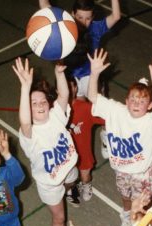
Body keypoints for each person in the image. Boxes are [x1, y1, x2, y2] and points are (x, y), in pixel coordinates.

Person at [88, 49, 152, 226]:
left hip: (143, 174)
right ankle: (126, 215)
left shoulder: (151, 121)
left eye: (142, 101)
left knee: (144, 207)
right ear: (126, 101)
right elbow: (93, 97)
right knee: (125, 197)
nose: (136, 103)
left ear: (150, 106)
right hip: (121, 171)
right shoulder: (116, 110)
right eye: (133, 99)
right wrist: (94, 74)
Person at [39, 0, 122, 160]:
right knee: (78, 109)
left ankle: (106, 135)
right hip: (71, 76)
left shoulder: (96, 28)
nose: (84, 22)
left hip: (91, 75)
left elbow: (116, 16)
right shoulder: (65, 27)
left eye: (88, 18)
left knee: (100, 106)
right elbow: (46, 7)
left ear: (93, 17)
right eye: (79, 17)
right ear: (72, 14)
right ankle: (75, 138)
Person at [12, 57, 79, 226]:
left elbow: (64, 96)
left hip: (69, 167)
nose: (40, 105)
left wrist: (59, 73)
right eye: (34, 103)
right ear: (28, 108)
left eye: (43, 101)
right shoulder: (30, 134)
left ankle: (69, 189)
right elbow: (24, 120)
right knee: (60, 217)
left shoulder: (57, 115)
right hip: (49, 182)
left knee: (72, 181)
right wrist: (25, 88)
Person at [66, 76, 105, 202]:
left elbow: (105, 118)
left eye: (70, 86)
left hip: (83, 153)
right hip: (65, 154)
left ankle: (86, 185)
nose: (67, 90)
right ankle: (71, 188)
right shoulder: (54, 109)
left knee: (85, 175)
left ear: (75, 88)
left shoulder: (85, 107)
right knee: (68, 177)